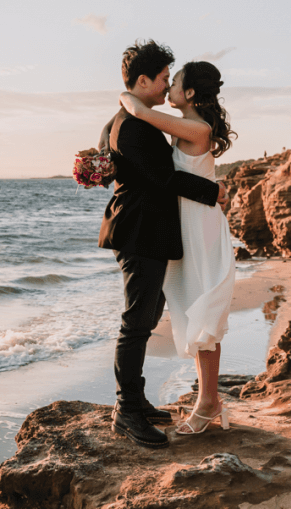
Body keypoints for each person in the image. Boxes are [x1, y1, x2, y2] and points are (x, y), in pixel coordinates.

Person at [96, 41, 227, 449]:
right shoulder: (134, 122)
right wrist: (213, 191)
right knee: (137, 323)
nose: (168, 83)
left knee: (148, 316)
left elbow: (115, 167)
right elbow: (162, 179)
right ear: (143, 81)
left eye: (173, 79)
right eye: (164, 78)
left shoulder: (134, 117)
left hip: (155, 230)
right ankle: (127, 411)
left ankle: (136, 401)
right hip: (140, 230)